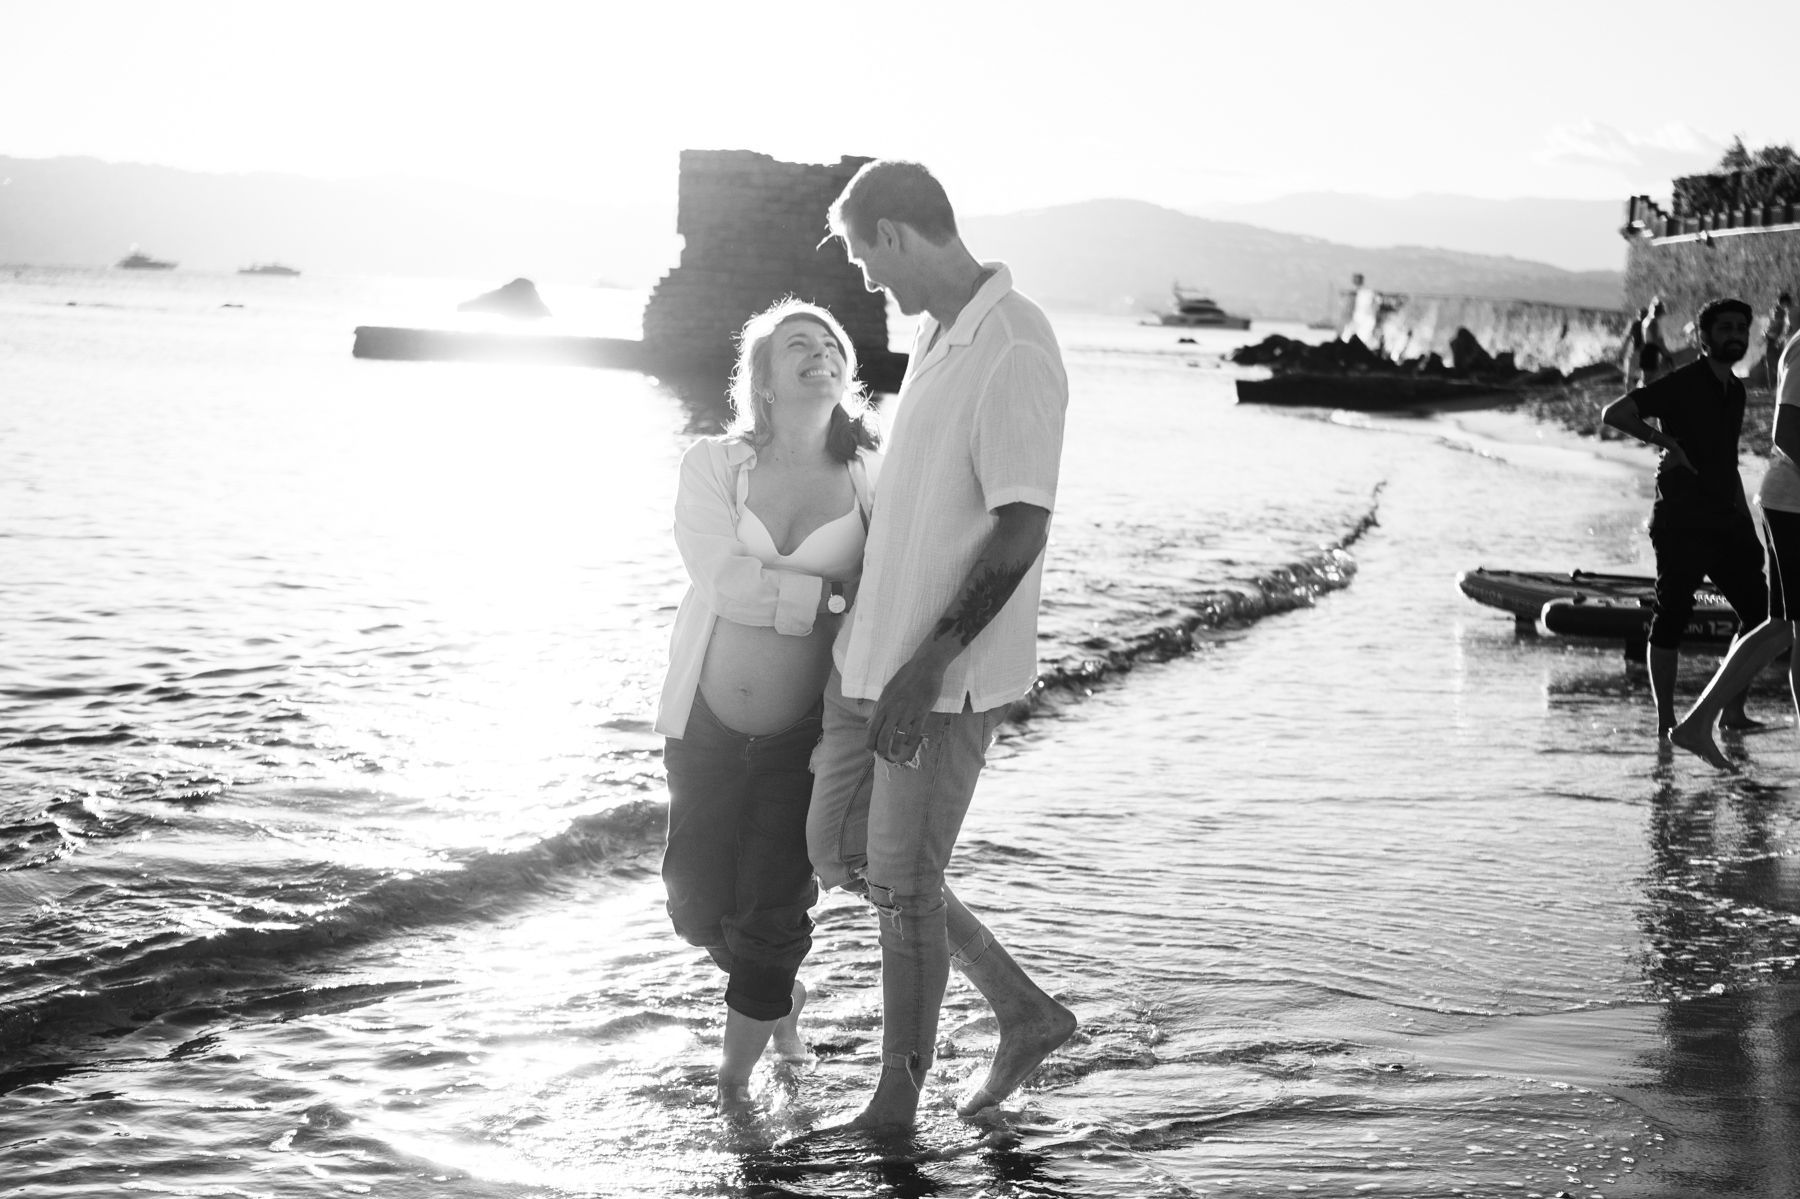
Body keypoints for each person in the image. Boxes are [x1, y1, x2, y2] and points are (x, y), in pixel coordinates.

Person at [806, 159, 1077, 1133]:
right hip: (879, 659)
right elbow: (930, 497)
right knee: (840, 848)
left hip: (946, 677)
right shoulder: (938, 334)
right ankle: (1024, 1008)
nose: (872, 286)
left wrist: (928, 662)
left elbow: (1020, 526)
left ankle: (894, 1105)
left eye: (869, 263)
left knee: (904, 886)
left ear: (898, 234)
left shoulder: (1013, 343)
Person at [654, 298, 881, 1107]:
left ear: (846, 368)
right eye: (797, 344)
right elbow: (720, 578)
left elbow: (888, 590)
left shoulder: (871, 476)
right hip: (706, 728)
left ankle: (734, 1088)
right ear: (764, 377)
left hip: (806, 736)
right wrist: (829, 598)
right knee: (695, 908)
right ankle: (779, 991)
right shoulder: (714, 464)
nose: (818, 352)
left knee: (771, 915)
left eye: (830, 343)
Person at [1601, 297, 1766, 739]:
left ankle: (1732, 711)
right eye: (1725, 327)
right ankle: (1666, 723)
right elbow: (1614, 413)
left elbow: (1728, 460)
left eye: (1740, 328)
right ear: (1703, 336)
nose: (1735, 334)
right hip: (1679, 519)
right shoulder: (1681, 383)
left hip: (1726, 518)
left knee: (1759, 613)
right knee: (1671, 616)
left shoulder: (1736, 390)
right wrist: (1666, 443)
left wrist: (1747, 523)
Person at [1672, 326, 1800, 769]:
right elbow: (1786, 431)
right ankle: (1696, 722)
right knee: (1787, 627)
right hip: (1794, 504)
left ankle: (1696, 723)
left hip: (1790, 503)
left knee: (1786, 627)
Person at [1640, 297, 1670, 382]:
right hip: (1651, 353)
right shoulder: (1653, 322)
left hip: (1646, 352)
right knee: (1652, 380)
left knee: (1646, 379)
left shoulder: (1646, 320)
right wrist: (1666, 354)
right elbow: (1657, 340)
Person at [1766, 292, 1792, 388]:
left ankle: (1777, 385)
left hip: (1778, 342)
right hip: (1775, 342)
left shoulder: (1785, 315)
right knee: (1774, 363)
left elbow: (1783, 330)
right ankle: (1774, 385)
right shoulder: (1779, 314)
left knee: (1777, 364)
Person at [1623, 305, 1649, 390]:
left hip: (1638, 353)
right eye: (1639, 314)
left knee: (1631, 377)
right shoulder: (1643, 325)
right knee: (1641, 377)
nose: (1639, 316)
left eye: (1640, 314)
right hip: (1642, 353)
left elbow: (1628, 337)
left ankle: (1628, 393)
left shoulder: (1636, 324)